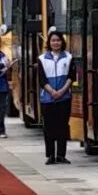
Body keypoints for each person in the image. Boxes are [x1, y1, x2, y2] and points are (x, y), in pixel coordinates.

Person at [39, 31, 75, 165]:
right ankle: (50, 155)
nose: (56, 43)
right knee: (48, 127)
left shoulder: (69, 57)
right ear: (49, 42)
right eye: (53, 40)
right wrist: (52, 91)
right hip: (47, 98)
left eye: (58, 40)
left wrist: (61, 91)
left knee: (62, 126)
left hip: (64, 97)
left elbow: (71, 77)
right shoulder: (42, 59)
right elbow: (42, 79)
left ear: (62, 42)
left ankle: (61, 155)